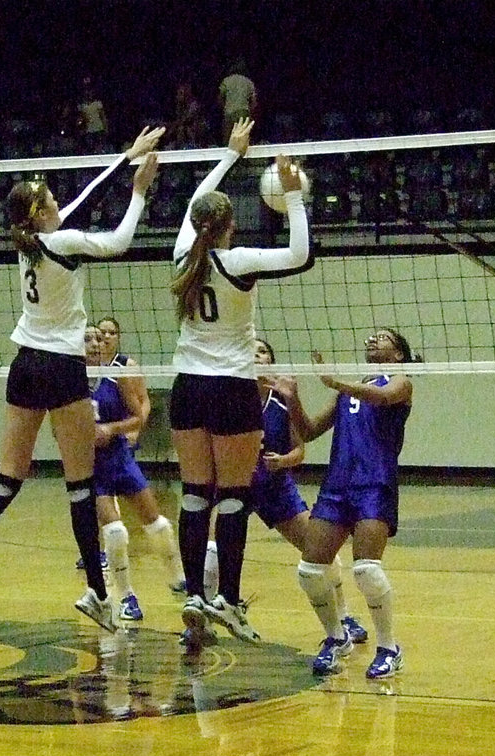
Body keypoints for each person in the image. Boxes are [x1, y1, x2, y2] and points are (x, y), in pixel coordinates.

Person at [0, 125, 164, 633]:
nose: (62, 202)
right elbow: (120, 241)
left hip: (25, 364)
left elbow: (82, 200)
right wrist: (138, 191)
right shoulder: (62, 240)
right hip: (62, 367)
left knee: (8, 476)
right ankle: (97, 593)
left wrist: (125, 155)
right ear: (41, 213)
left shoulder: (32, 242)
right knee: (80, 482)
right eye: (52, 200)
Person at [168, 117, 309, 650]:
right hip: (230, 388)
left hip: (187, 388)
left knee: (194, 493)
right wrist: (293, 197)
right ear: (230, 226)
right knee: (233, 494)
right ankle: (226, 595)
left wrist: (229, 156)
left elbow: (195, 204)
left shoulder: (184, 253)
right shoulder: (239, 259)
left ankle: (194, 598)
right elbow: (299, 256)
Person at [203, 338, 368, 645]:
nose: (256, 355)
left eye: (263, 351)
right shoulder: (227, 400)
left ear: (271, 362)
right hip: (237, 486)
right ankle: (204, 618)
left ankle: (344, 616)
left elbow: (300, 451)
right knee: (212, 546)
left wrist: (282, 462)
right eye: (250, 351)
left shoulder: (282, 401)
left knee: (318, 551)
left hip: (276, 488)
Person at [279, 329, 418, 679]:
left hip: (374, 484)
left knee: (367, 570)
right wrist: (292, 398)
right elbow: (309, 431)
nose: (373, 340)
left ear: (399, 354)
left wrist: (335, 382)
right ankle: (335, 637)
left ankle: (389, 647)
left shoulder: (401, 381)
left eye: (383, 338)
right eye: (371, 337)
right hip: (337, 486)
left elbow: (382, 397)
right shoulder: (348, 390)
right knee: (310, 571)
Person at [84, 324, 185, 622]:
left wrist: (111, 429)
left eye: (99, 339)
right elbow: (56, 429)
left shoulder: (118, 375)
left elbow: (138, 416)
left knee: (158, 524)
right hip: (91, 466)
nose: (95, 344)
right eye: (88, 339)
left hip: (119, 457)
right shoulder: (70, 381)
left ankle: (179, 578)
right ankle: (127, 597)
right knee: (115, 532)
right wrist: (80, 436)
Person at [217, 60, 257, 145]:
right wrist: (250, 114)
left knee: (227, 139)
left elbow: (220, 98)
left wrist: (224, 108)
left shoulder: (226, 81)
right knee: (243, 139)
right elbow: (254, 102)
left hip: (229, 112)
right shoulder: (248, 82)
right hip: (243, 112)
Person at [170, 80, 211, 148]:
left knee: (182, 129)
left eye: (181, 93)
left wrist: (173, 127)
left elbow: (186, 119)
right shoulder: (180, 106)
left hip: (197, 126)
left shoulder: (194, 105)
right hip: (186, 127)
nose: (178, 96)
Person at [77, 75, 111, 153]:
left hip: (99, 128)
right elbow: (81, 117)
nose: (88, 94)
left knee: (99, 146)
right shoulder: (82, 106)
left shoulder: (97, 103)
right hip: (88, 130)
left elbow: (102, 116)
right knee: (90, 147)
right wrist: (82, 127)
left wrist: (106, 127)